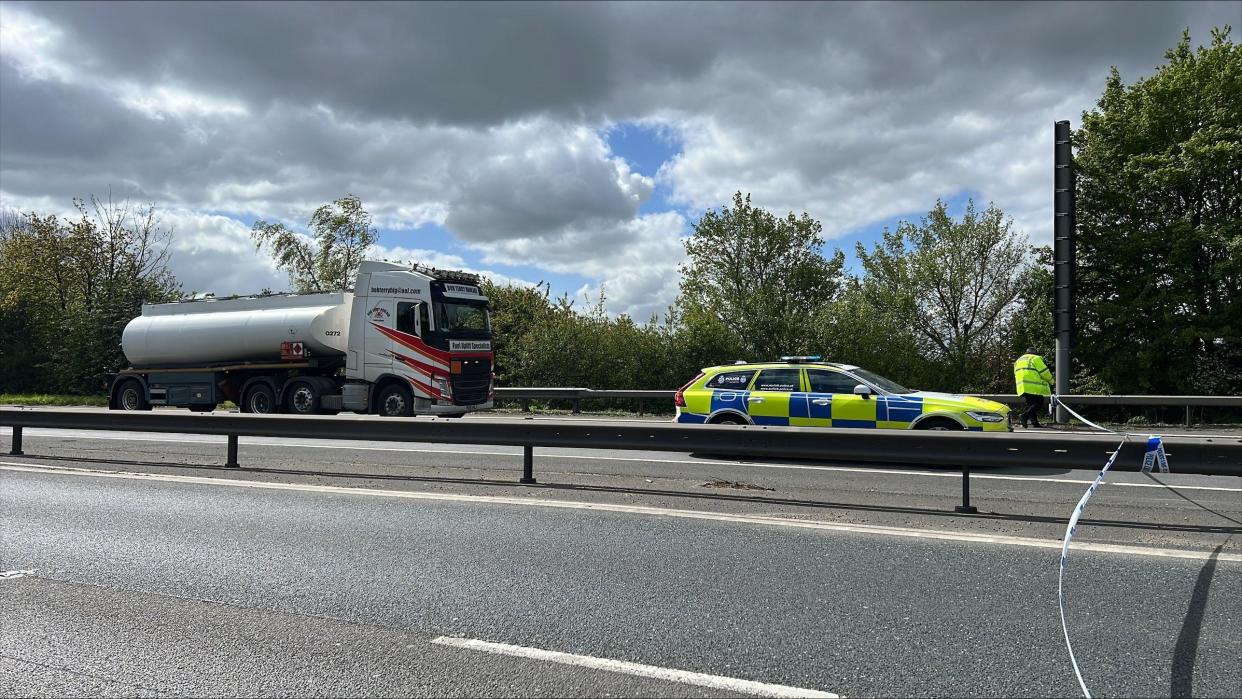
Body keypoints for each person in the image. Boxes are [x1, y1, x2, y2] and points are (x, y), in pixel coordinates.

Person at [1013, 349, 1053, 428]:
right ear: (1034, 353)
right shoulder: (1035, 358)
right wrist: (1052, 381)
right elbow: (1044, 372)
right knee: (1039, 402)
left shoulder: (1018, 360)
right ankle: (1024, 416)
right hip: (1033, 386)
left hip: (1022, 386)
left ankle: (1035, 423)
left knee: (1031, 404)